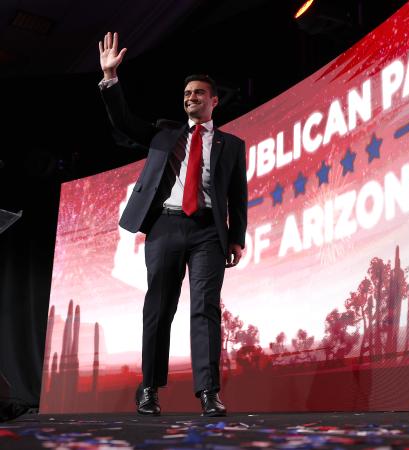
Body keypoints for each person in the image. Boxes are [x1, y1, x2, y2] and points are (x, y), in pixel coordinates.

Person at [97, 32, 247, 417]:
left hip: (209, 232)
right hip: (165, 226)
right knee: (159, 307)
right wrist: (111, 79)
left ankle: (209, 392)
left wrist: (237, 238)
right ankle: (149, 388)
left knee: (205, 308)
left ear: (214, 100)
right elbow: (124, 121)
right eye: (187, 94)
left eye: (199, 93)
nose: (191, 98)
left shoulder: (232, 145)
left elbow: (237, 196)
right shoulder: (164, 134)